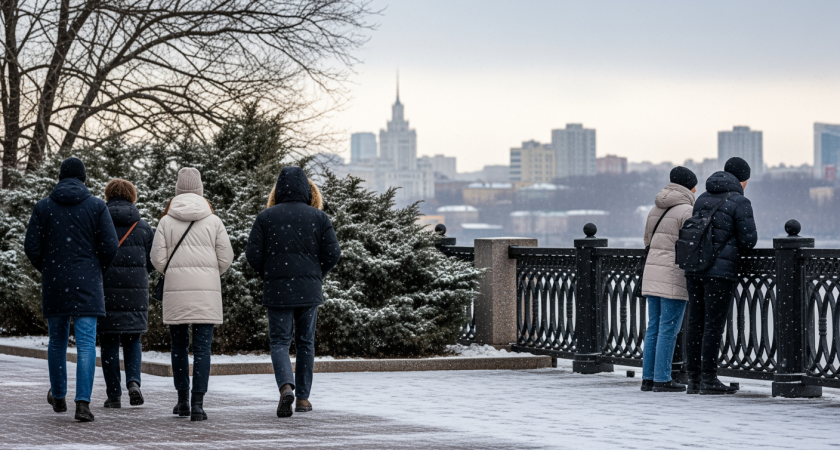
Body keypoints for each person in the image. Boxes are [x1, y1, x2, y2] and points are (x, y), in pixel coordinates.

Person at [24, 157, 119, 422]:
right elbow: (111, 246)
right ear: (84, 179)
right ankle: (83, 404)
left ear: (60, 178)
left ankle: (59, 395)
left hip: (55, 282)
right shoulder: (97, 207)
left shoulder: (43, 207)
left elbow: (31, 247)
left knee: (57, 341)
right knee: (87, 343)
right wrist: (95, 270)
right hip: (88, 283)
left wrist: (50, 269)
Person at [246, 167, 341, 418]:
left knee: (279, 342)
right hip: (309, 290)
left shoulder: (266, 217)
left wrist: (271, 274)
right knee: (305, 343)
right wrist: (315, 274)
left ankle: (285, 386)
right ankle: (303, 398)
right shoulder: (318, 217)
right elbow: (333, 253)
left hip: (277, 289)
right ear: (308, 191)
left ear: (277, 190)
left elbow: (252, 255)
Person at [151, 168, 233, 422]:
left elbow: (157, 259)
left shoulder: (166, 221)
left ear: (177, 190)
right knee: (202, 349)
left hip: (176, 291)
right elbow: (226, 258)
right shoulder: (214, 221)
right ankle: (198, 404)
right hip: (206, 293)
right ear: (200, 191)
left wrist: (174, 271)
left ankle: (182, 401)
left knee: (178, 346)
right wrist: (208, 272)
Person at [684, 157, 757, 395]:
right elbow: (748, 240)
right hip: (720, 272)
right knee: (713, 326)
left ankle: (693, 379)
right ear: (742, 179)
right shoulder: (739, 201)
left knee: (695, 323)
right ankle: (709, 379)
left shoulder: (702, 198)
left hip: (695, 268)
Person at [640, 167, 697, 393]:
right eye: (694, 186)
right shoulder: (687, 210)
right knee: (668, 328)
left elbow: (647, 241)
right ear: (688, 187)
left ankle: (648, 378)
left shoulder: (655, 208)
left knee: (653, 327)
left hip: (652, 272)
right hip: (672, 274)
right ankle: (662, 379)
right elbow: (690, 245)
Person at [99, 179, 155, 409]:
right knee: (133, 339)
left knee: (109, 342)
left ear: (108, 197)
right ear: (133, 197)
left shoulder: (99, 223)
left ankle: (113, 395)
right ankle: (133, 382)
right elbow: (152, 262)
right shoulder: (142, 227)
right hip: (135, 293)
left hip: (105, 292)